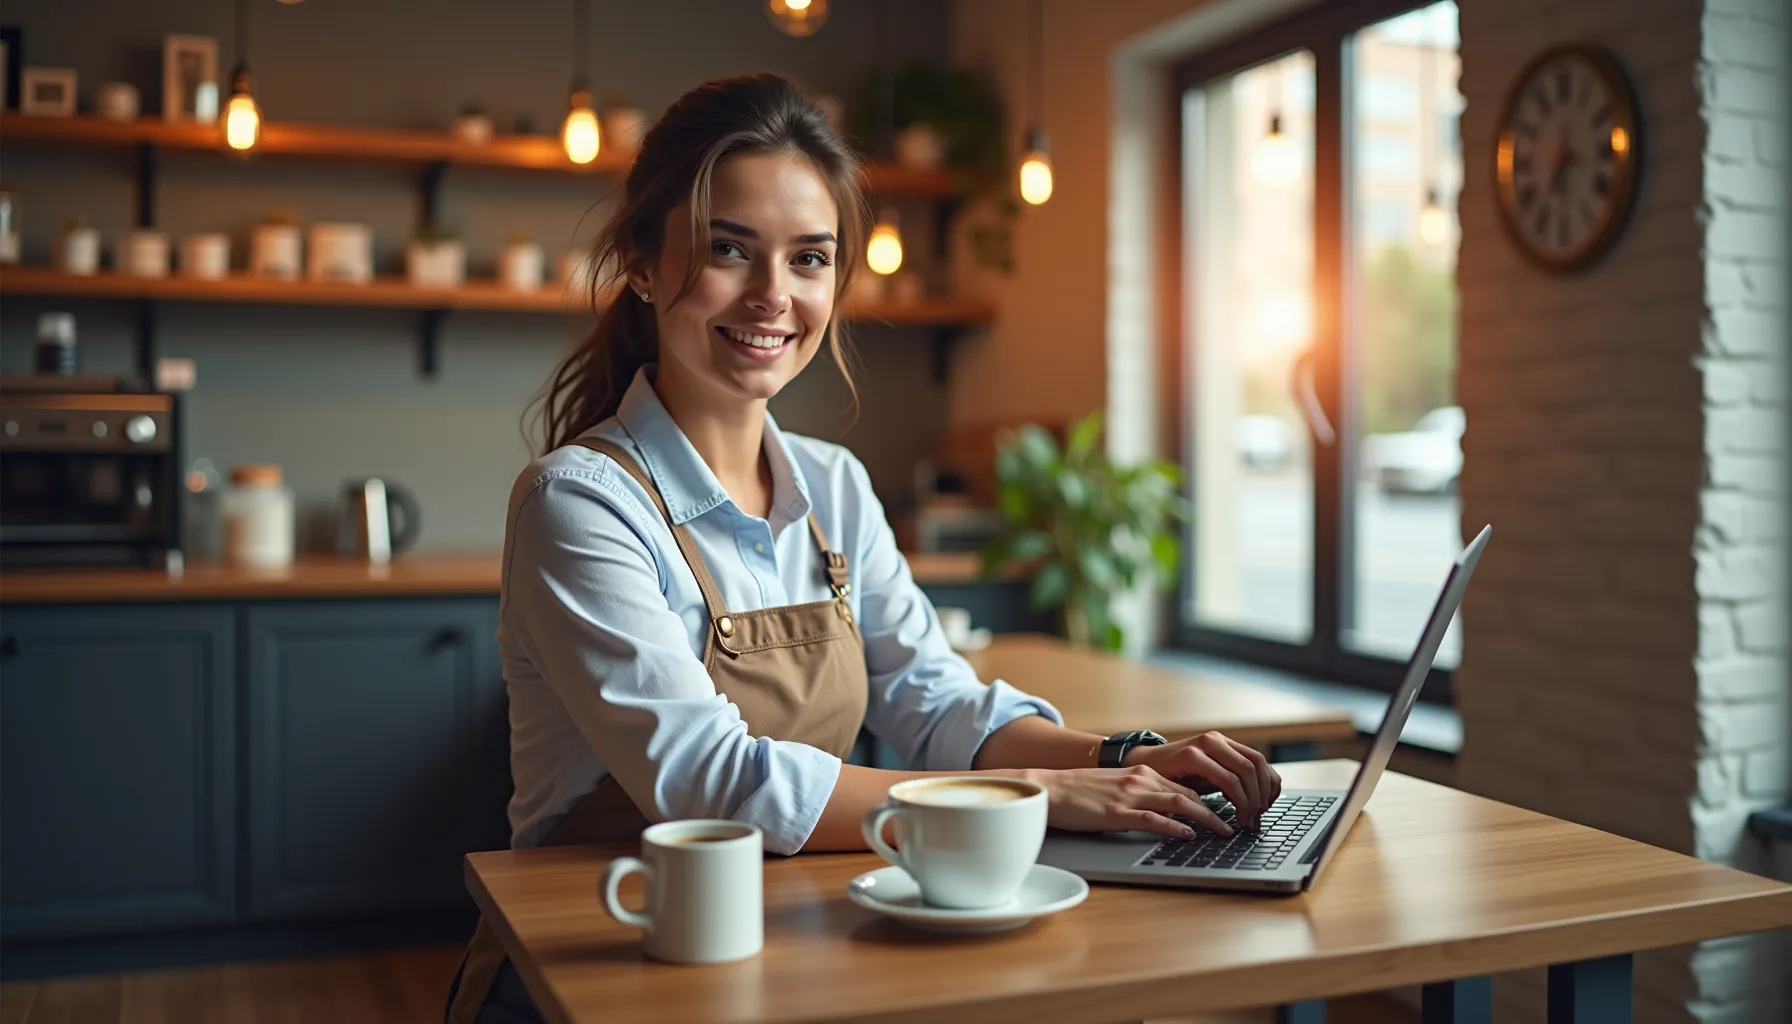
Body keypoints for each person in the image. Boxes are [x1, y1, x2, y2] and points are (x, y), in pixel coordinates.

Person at [446, 71, 1281, 1024]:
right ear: (641, 261)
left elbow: (937, 701)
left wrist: (1128, 758)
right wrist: (1044, 794)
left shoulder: (835, 486)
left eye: (809, 259)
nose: (773, 296)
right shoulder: (578, 505)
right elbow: (713, 781)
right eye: (729, 249)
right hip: (601, 965)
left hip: (789, 948)